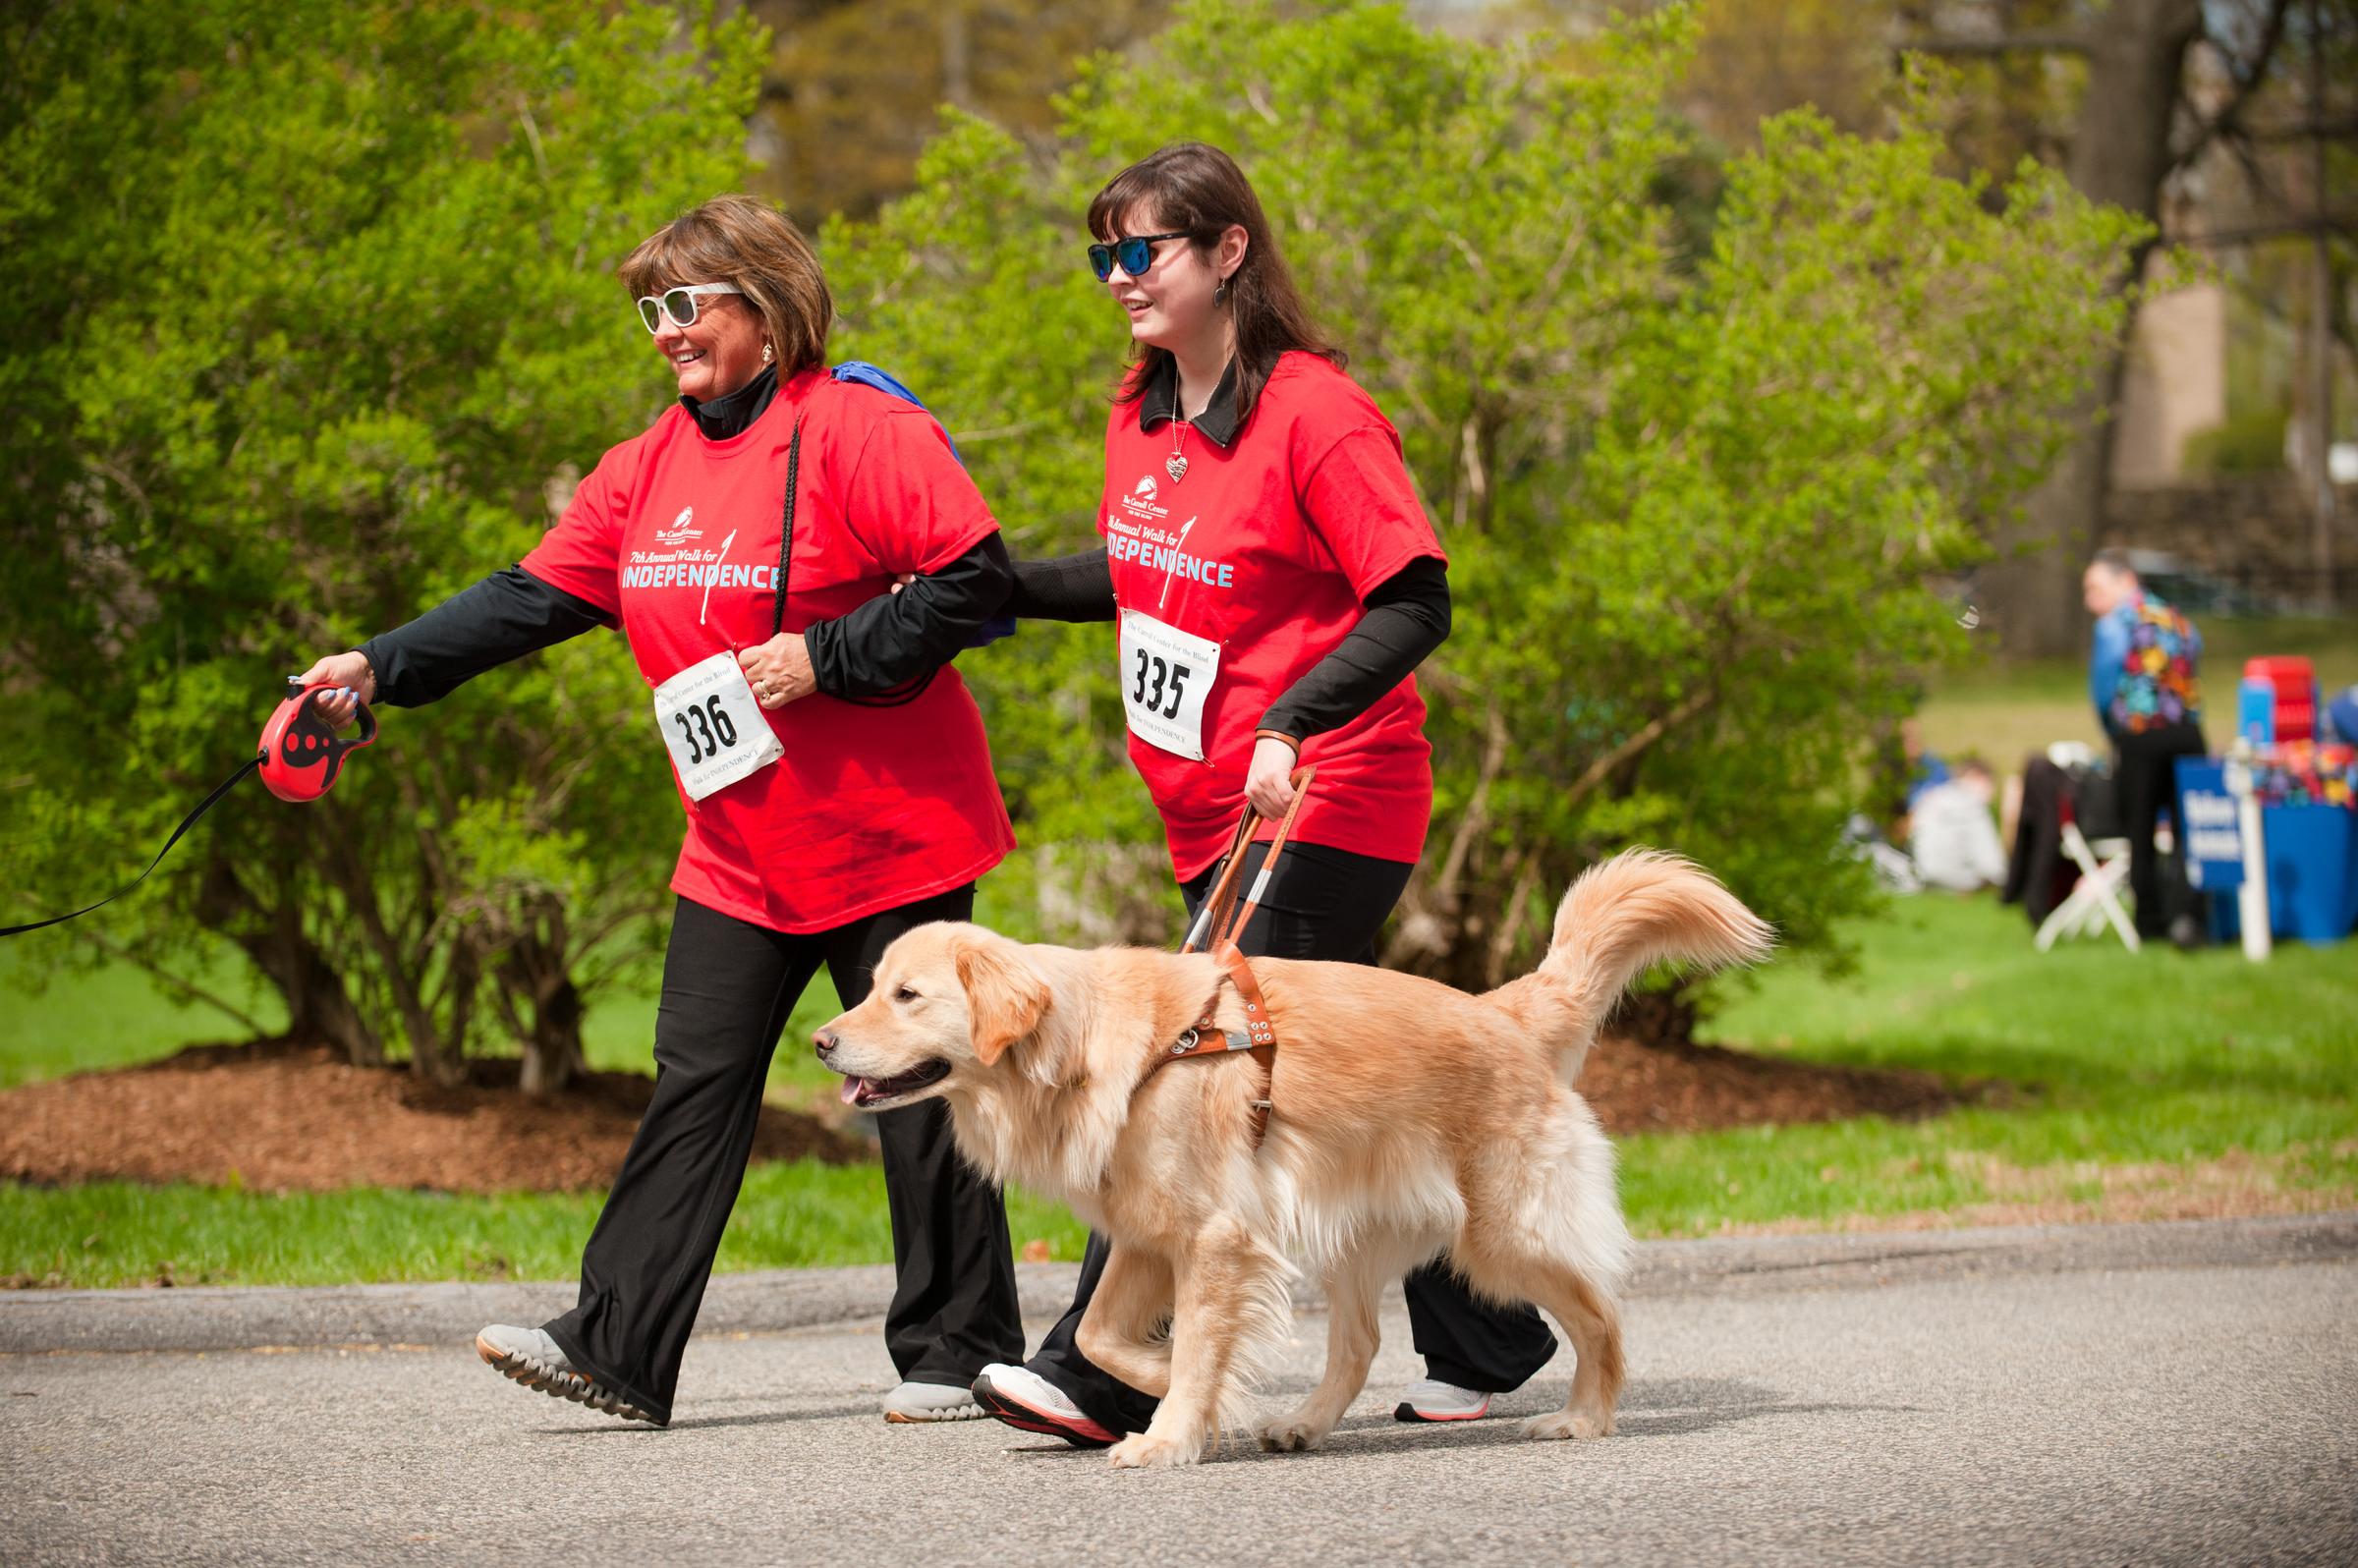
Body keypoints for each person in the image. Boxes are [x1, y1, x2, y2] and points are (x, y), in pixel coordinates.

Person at [293, 196, 1023, 1428]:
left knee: (916, 1085)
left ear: (768, 303)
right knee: (697, 1079)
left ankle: (956, 1349)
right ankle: (614, 1348)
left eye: (687, 305)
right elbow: (526, 596)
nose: (666, 333)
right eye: (652, 310)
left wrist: (824, 657)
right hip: (740, 849)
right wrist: (377, 666)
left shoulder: (855, 430)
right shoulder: (649, 466)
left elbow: (976, 582)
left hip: (890, 835)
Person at [968, 141, 1558, 1447]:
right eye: (1102, 253)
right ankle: (1492, 1330)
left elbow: (1415, 599)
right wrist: (993, 591)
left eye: (1143, 251)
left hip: (1325, 798)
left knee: (1197, 1069)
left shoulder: (1317, 414)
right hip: (1209, 817)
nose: (1118, 276)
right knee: (1304, 1084)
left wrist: (1294, 717)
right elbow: (1148, 575)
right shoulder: (1144, 407)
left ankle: (1104, 1361)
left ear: (1228, 253)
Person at [2082, 548, 2206, 940]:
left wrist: (2112, 730)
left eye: (2096, 588)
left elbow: (2104, 689)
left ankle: (2150, 923)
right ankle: (2189, 917)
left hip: (2140, 736)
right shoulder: (2177, 619)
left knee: (2142, 829)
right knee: (2189, 830)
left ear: (2126, 581)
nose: (2090, 600)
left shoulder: (2114, 624)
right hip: (2187, 733)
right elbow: (2193, 660)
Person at [1907, 759, 2007, 892]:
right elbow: (1991, 864)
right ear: (1976, 775)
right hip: (1959, 879)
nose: (1992, 791)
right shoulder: (1973, 804)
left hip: (1924, 874)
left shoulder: (1932, 797)